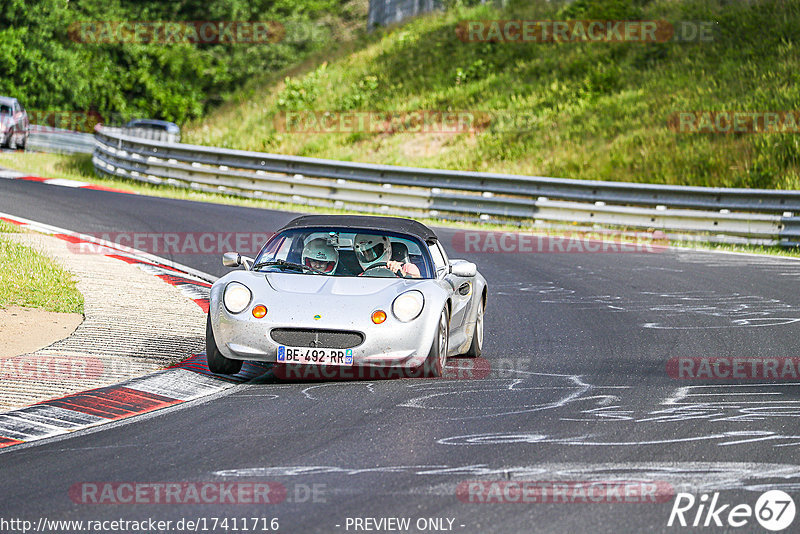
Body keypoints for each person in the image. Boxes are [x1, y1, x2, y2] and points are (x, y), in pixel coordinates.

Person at [353, 234, 420, 278]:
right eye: (364, 254)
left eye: (372, 252)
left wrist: (403, 273)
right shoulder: (363, 275)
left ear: (385, 247)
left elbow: (419, 282)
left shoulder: (407, 268)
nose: (368, 256)